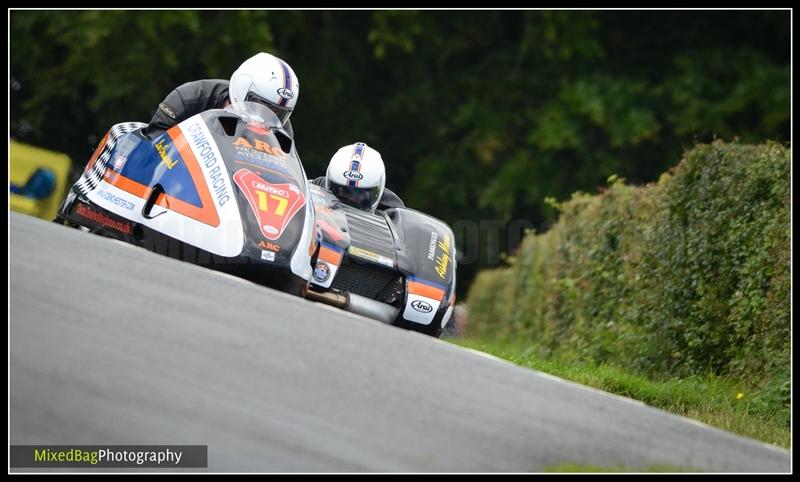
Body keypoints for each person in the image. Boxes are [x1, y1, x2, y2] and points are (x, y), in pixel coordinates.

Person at [142, 52, 300, 138]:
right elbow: (153, 143)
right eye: (258, 105)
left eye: (277, 113)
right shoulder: (188, 99)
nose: (264, 118)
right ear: (242, 89)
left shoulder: (283, 131)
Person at [312, 142, 405, 212]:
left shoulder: (393, 211)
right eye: (344, 190)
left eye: (359, 192)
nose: (350, 200)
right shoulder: (315, 188)